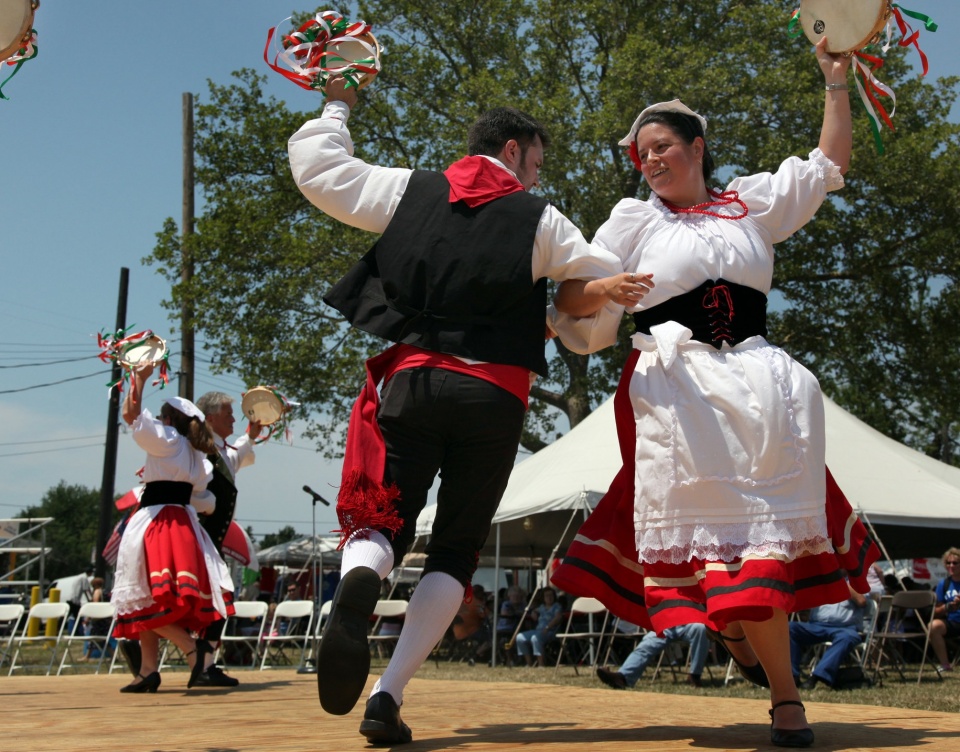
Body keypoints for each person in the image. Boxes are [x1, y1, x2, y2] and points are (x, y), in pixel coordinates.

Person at [548, 38, 879, 749]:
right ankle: (760, 668)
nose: (651, 160)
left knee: (761, 549)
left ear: (697, 147)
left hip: (763, 391)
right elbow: (572, 297)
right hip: (679, 393)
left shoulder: (750, 205)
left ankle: (776, 687)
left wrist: (835, 83)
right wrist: (606, 288)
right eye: (642, 153)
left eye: (662, 146)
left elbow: (830, 166)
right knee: (723, 555)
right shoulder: (634, 222)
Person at [287, 72, 620, 744]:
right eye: (536, 160)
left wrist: (339, 101)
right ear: (512, 148)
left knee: (382, 518)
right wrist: (568, 316)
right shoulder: (541, 219)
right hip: (493, 396)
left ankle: (361, 578)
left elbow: (321, 171)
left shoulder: (408, 188)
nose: (536, 174)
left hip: (412, 382)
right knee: (457, 549)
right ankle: (387, 694)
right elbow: (591, 292)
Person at [112, 364, 234, 693]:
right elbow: (204, 499)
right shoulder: (195, 454)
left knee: (151, 597)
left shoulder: (168, 442)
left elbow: (131, 415)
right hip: (182, 524)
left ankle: (194, 652)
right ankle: (148, 671)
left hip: (160, 523)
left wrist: (138, 376)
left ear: (168, 420)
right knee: (148, 597)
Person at [190, 390, 262, 688]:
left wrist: (252, 434)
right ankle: (200, 663)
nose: (234, 418)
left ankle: (205, 664)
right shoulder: (196, 450)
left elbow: (235, 456)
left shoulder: (219, 451)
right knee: (199, 596)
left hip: (209, 540)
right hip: (195, 537)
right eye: (228, 414)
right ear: (209, 418)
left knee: (214, 597)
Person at [790, 580, 868, 689]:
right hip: (817, 625)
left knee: (848, 637)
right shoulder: (819, 581)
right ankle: (793, 676)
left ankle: (817, 676)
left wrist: (840, 582)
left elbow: (862, 601)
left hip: (844, 628)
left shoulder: (855, 582)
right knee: (790, 628)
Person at [596, 622, 710, 689]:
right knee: (648, 642)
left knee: (701, 628)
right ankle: (623, 677)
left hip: (695, 621)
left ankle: (695, 676)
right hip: (670, 622)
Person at [515, 586, 564, 667]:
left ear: (554, 596)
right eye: (547, 596)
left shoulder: (557, 606)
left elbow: (558, 617)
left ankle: (541, 664)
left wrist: (547, 627)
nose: (549, 597)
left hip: (550, 632)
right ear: (543, 598)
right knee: (519, 637)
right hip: (538, 630)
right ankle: (529, 663)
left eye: (551, 595)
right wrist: (533, 612)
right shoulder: (542, 607)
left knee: (535, 638)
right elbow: (534, 610)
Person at [931, 547, 960, 674]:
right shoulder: (944, 584)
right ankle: (945, 665)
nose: (951, 565)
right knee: (933, 626)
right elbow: (936, 611)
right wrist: (948, 607)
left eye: (955, 563)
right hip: (954, 622)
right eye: (948, 563)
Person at [450, 584, 492, 664]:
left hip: (456, 632)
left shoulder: (463, 600)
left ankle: (480, 655)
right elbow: (486, 615)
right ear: (478, 593)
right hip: (470, 631)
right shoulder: (477, 603)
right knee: (491, 639)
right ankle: (475, 656)